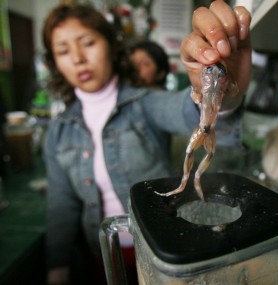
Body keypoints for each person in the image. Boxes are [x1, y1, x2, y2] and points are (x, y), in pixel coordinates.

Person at [42, 1, 251, 284]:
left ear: (111, 46)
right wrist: (57, 267)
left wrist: (219, 92)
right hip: (104, 253)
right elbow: (61, 205)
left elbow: (186, 111)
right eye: (63, 51)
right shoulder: (58, 131)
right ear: (54, 63)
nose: (78, 58)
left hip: (160, 254)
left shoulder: (144, 103)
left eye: (88, 42)